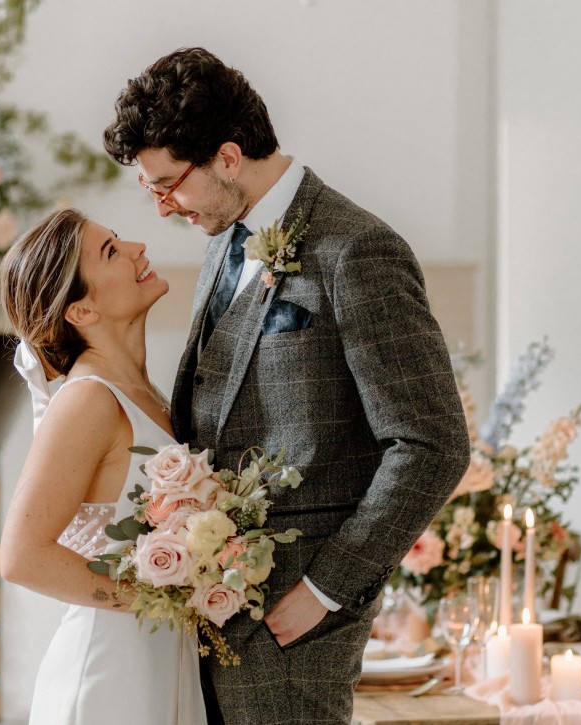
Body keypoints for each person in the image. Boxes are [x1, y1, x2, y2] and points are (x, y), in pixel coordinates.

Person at [103, 48, 471, 725]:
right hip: (211, 615)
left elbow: (431, 442)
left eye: (167, 184)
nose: (160, 209)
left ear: (228, 155)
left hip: (294, 630)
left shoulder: (355, 249)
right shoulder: (223, 238)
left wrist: (325, 590)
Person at [0, 208, 207, 725]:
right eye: (111, 251)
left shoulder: (150, 393)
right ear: (81, 311)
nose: (138, 246)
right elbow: (21, 556)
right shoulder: (87, 400)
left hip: (160, 658)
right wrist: (161, 599)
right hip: (112, 674)